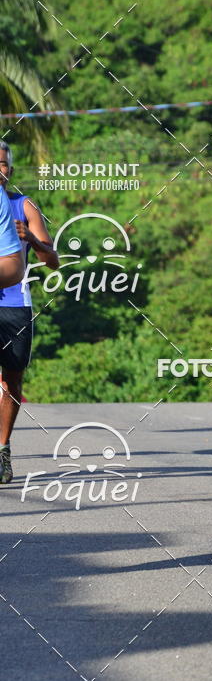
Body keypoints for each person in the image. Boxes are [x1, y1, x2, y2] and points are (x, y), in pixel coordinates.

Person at [0, 141, 59, 483]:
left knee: (12, 379)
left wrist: (33, 241)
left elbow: (53, 261)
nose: (0, 169)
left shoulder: (23, 206)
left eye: (4, 164)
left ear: (11, 170)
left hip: (13, 303)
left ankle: (2, 448)